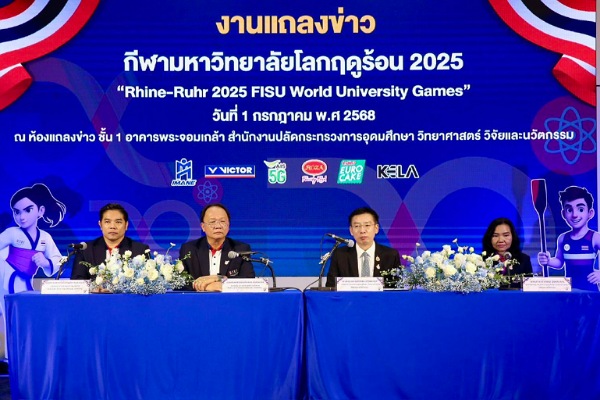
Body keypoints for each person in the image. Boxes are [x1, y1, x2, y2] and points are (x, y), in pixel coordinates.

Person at [180, 203, 255, 292]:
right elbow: (180, 282)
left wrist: (219, 279)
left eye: (222, 221)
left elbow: (248, 280)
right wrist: (206, 287)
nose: (218, 226)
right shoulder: (189, 249)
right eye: (212, 222)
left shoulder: (240, 249)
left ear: (228, 225)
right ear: (203, 227)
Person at [538, 186, 600, 291]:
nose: (575, 215)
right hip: (568, 291)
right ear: (563, 214)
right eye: (569, 210)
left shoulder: (595, 237)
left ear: (590, 213)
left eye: (580, 209)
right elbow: (559, 262)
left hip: (589, 292)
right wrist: (548, 261)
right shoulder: (563, 238)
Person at [326, 207, 400, 287]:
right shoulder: (340, 255)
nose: (362, 230)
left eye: (367, 225)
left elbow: (397, 288)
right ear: (351, 230)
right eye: (357, 226)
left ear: (376, 228)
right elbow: (331, 287)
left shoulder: (390, 255)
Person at [71, 203, 149, 280]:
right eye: (107, 222)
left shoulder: (140, 250)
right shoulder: (85, 250)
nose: (112, 226)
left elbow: (146, 282)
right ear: (100, 224)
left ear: (126, 225)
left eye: (118, 222)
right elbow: (77, 281)